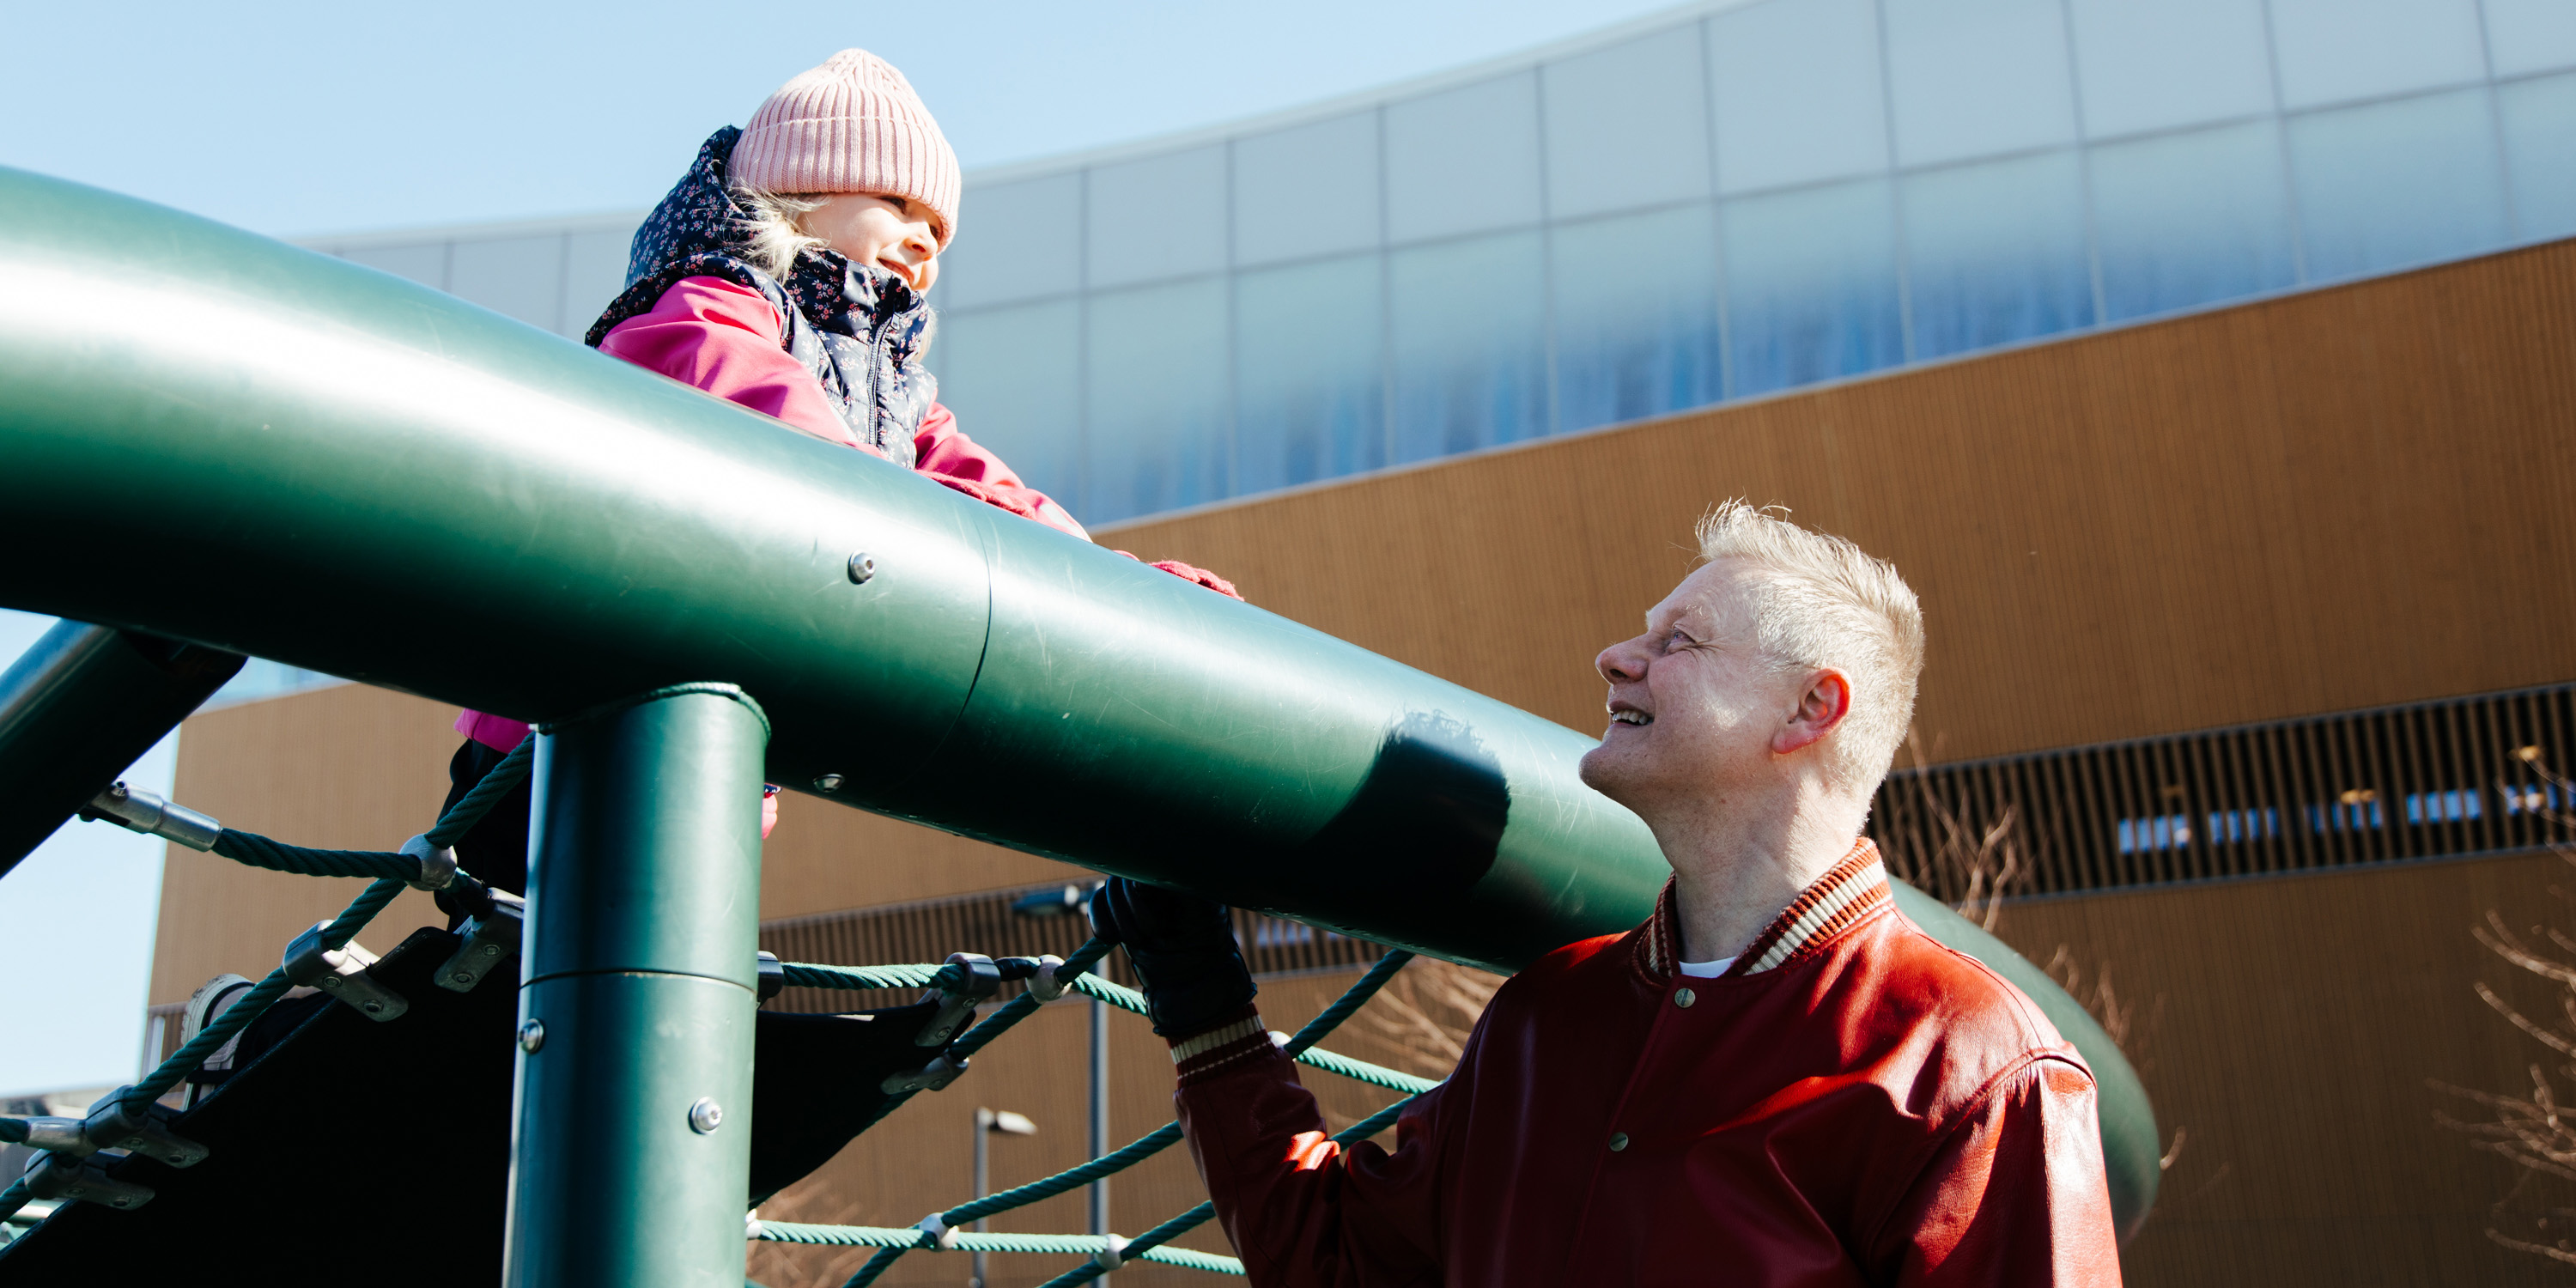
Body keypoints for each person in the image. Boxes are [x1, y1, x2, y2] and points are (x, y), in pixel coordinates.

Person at [1089, 501, 2123, 1286]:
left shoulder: (1979, 1066)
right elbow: (1341, 1261)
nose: (1615, 656)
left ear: (1812, 709)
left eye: (1679, 640)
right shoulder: (1546, 1015)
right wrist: (1204, 1008)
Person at [432, 47, 1236, 908]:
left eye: (941, 229)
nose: (928, 237)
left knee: (656, 933)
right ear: (802, 194)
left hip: (718, 749)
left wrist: (1116, 586)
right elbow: (751, 400)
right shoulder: (713, 298)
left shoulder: (897, 402)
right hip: (551, 733)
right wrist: (869, 495)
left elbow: (996, 503)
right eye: (900, 203)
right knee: (517, 916)